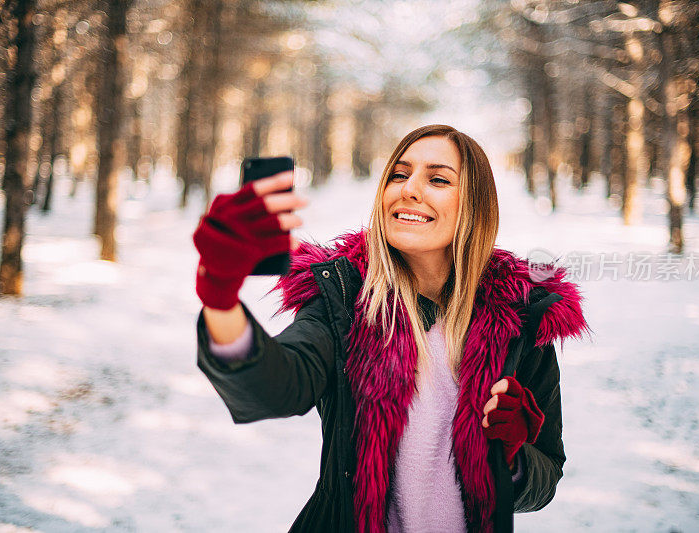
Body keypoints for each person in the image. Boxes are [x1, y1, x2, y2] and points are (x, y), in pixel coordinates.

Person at [192, 124, 592, 533]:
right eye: (399, 175)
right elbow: (274, 388)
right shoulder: (344, 297)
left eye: (437, 179)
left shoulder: (520, 318)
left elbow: (545, 480)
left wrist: (511, 458)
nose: (409, 189)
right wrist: (219, 297)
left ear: (475, 205)